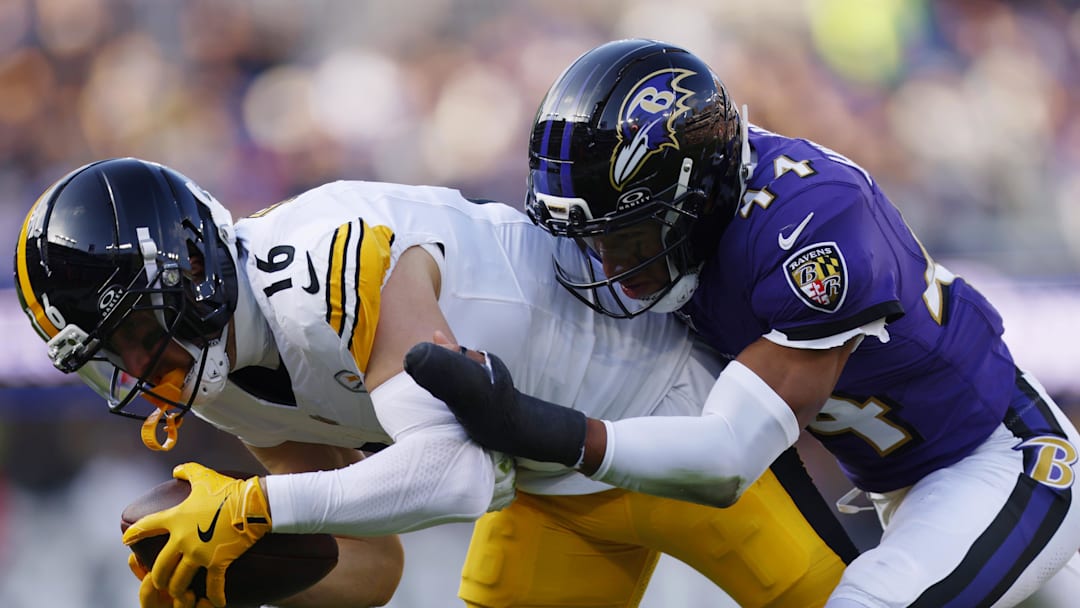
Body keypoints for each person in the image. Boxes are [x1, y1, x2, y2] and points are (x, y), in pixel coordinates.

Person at [402, 38, 1080, 608]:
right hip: (896, 484)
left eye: (629, 237)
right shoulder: (692, 224)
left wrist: (534, 426)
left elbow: (727, 458)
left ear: (699, 195)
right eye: (593, 239)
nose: (608, 265)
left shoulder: (809, 225)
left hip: (997, 458)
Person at [13, 158, 858, 608]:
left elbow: (455, 473)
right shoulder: (220, 376)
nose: (136, 370)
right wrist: (242, 576)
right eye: (111, 356)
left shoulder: (324, 268)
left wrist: (254, 508)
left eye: (136, 333)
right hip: (553, 494)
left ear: (191, 270)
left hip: (669, 422)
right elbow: (370, 564)